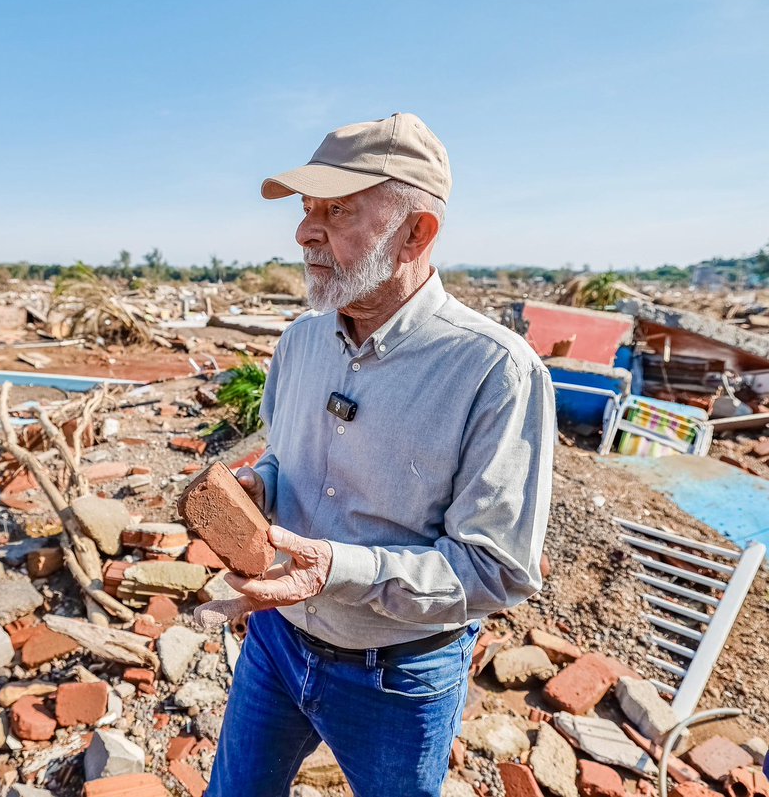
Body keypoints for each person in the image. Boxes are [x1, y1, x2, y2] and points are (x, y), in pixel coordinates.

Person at [203, 114, 556, 797]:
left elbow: (497, 569)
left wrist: (335, 570)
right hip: (278, 641)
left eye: (336, 210)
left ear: (416, 232)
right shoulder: (301, 341)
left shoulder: (495, 371)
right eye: (307, 210)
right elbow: (284, 456)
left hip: (397, 674)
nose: (305, 233)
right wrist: (261, 486)